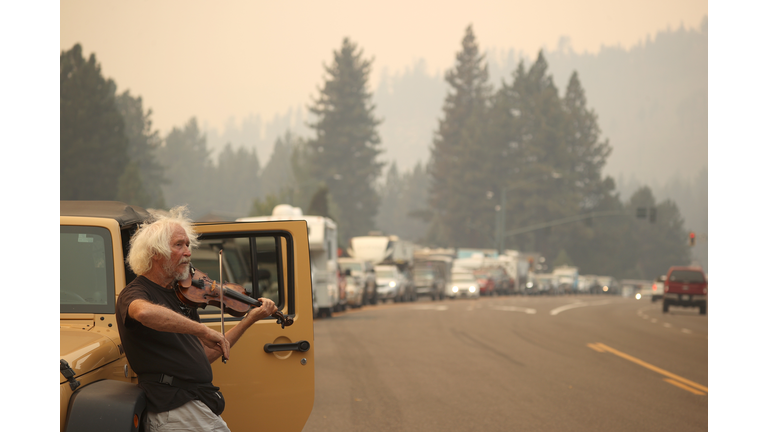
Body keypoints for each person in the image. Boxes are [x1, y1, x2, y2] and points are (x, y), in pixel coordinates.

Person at [116, 206, 277, 432]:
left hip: (192, 403)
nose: (188, 252)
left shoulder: (181, 294)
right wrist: (202, 331)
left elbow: (205, 354)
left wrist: (249, 319)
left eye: (188, 245)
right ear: (156, 252)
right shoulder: (134, 294)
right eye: (178, 245)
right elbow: (144, 313)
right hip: (174, 406)